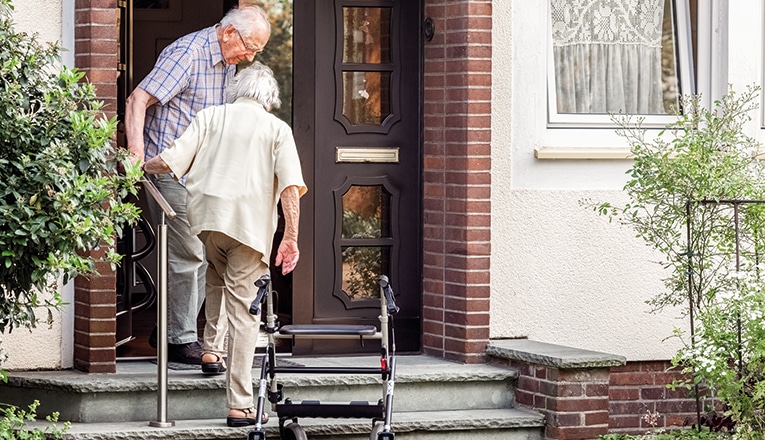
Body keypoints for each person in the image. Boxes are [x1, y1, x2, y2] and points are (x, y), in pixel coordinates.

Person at [142, 62, 307, 427]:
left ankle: (212, 351)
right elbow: (290, 190)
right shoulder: (277, 129)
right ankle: (240, 403)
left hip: (207, 222)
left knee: (217, 279)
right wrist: (291, 238)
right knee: (245, 316)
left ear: (237, 90)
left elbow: (169, 162)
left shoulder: (210, 116)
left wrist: (135, 163)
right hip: (247, 229)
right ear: (270, 98)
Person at [124, 5, 271, 365]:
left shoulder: (228, 61)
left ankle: (171, 330)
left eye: (257, 51)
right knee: (189, 252)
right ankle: (179, 340)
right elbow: (138, 98)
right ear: (228, 33)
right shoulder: (188, 55)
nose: (250, 56)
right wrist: (136, 151)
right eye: (249, 47)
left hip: (204, 175)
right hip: (169, 170)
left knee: (206, 253)